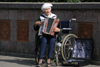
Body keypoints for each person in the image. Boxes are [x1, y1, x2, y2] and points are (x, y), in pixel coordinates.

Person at [34, 3, 61, 67]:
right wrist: (36, 23)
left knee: (52, 41)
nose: (48, 10)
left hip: (52, 35)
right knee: (44, 41)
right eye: (46, 9)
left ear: (50, 9)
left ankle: (48, 60)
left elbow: (59, 28)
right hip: (43, 35)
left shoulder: (54, 17)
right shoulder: (41, 17)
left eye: (48, 9)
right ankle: (40, 59)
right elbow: (35, 28)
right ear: (43, 11)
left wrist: (58, 30)